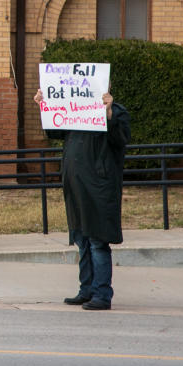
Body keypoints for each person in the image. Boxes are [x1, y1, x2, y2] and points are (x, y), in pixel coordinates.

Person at [35, 87, 130, 310]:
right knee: (82, 239)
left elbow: (121, 138)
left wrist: (108, 113)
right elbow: (55, 130)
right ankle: (86, 289)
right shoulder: (76, 112)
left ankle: (102, 294)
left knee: (97, 240)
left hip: (99, 188)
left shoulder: (116, 112)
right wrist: (44, 105)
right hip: (76, 187)